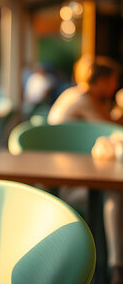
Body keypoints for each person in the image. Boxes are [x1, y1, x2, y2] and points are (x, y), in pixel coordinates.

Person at [48, 55, 123, 284]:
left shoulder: (76, 94)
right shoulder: (83, 100)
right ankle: (114, 268)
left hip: (69, 173)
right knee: (116, 193)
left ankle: (112, 265)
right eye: (113, 80)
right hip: (65, 183)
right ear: (102, 81)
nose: (115, 85)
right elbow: (112, 129)